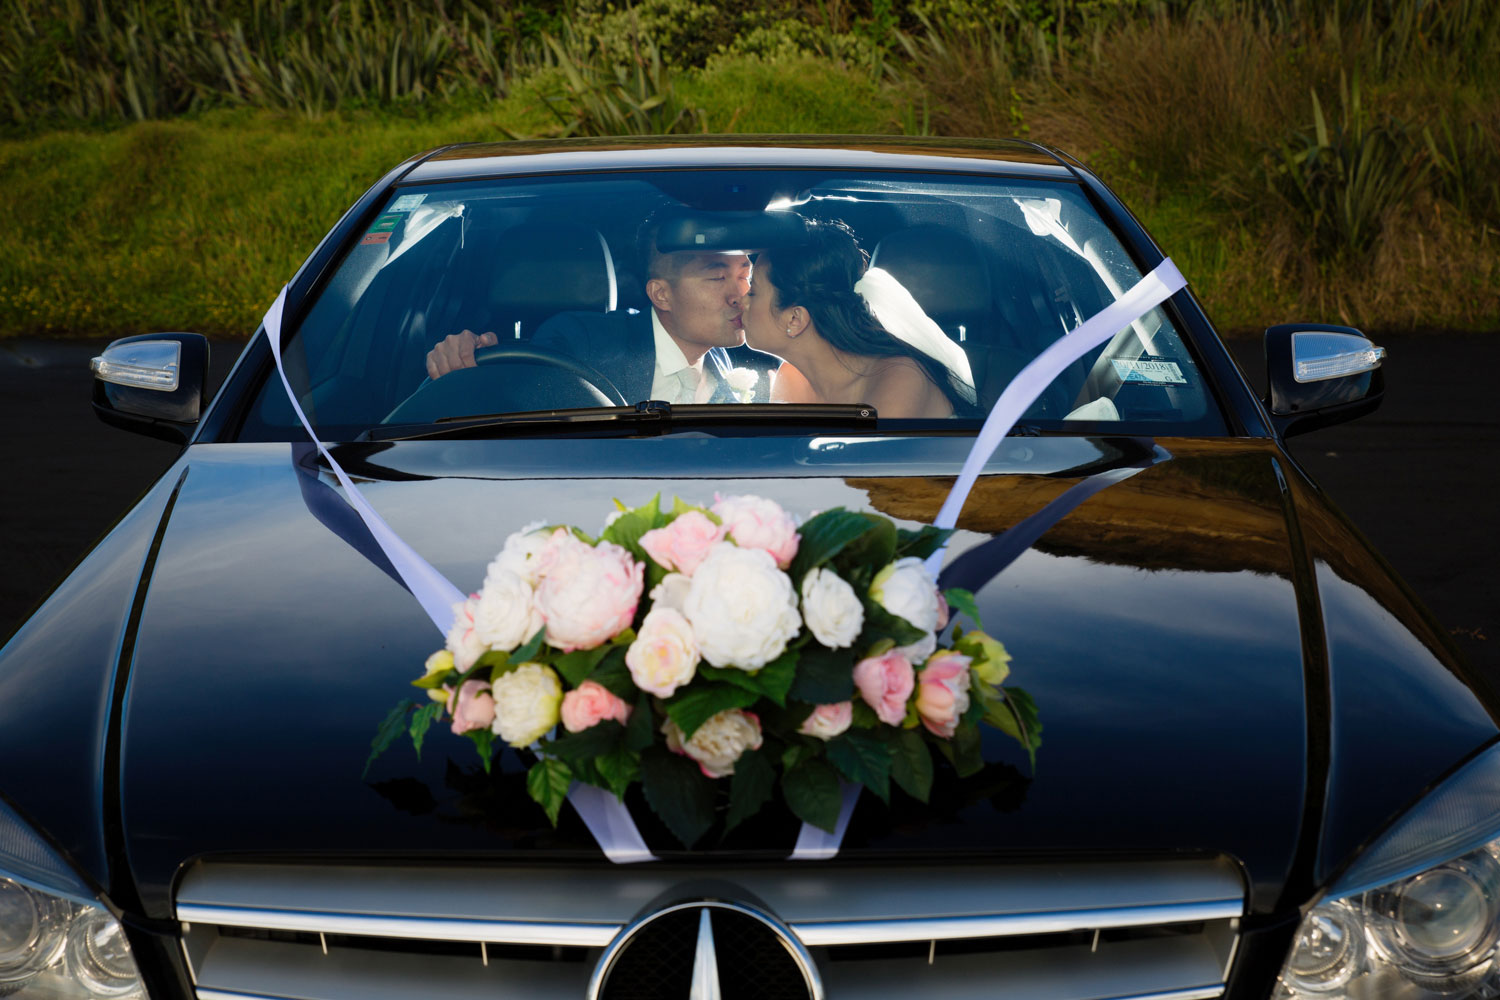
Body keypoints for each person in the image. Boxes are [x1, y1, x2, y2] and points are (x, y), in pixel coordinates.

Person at [425, 211, 757, 405]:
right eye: (717, 277)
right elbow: (515, 391)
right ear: (661, 295)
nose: (740, 295)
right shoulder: (582, 341)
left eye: (745, 275)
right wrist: (468, 359)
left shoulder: (719, 358)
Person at [742, 218, 979, 419]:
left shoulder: (901, 379)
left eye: (752, 291)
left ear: (795, 319)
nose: (741, 301)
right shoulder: (791, 378)